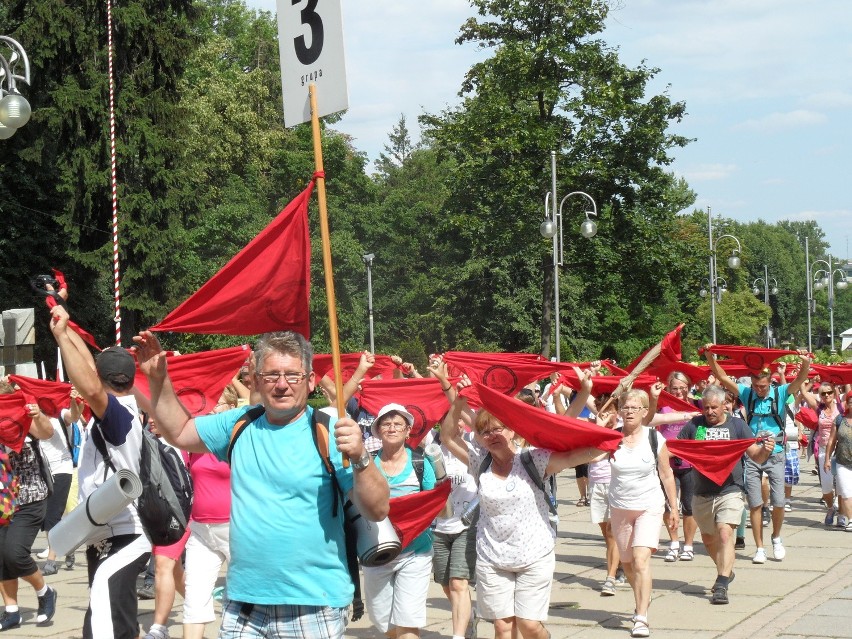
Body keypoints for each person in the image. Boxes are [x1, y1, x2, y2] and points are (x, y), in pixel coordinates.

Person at [132, 329, 389, 639]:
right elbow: (180, 432)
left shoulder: (331, 432)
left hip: (312, 603)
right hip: (245, 604)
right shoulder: (240, 423)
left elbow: (377, 509)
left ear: (310, 381)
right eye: (271, 376)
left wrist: (361, 456)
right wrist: (159, 379)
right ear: (255, 380)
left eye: (292, 376)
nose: (281, 384)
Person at [440, 378, 603, 639]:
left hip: (534, 553)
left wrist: (603, 445)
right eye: (485, 432)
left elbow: (572, 456)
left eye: (498, 429)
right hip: (492, 556)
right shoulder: (478, 462)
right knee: (502, 627)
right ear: (479, 438)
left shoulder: (533, 459)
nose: (492, 435)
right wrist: (458, 402)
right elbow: (448, 437)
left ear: (512, 430)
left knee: (528, 626)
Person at [49, 305, 150, 639]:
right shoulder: (126, 410)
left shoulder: (118, 414)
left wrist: (63, 335)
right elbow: (93, 377)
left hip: (125, 535)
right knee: (112, 619)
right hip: (108, 534)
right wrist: (62, 319)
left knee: (106, 627)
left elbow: (92, 388)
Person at [705, 345, 811, 564]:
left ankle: (776, 537)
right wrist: (709, 356)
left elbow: (800, 381)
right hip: (753, 454)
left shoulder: (780, 392)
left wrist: (805, 362)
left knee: (779, 501)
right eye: (756, 386)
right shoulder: (747, 393)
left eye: (762, 387)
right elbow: (722, 378)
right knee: (754, 503)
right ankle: (760, 548)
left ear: (770, 382)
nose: (759, 390)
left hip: (776, 453)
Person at [677, 385, 772, 604]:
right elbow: (677, 447)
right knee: (709, 540)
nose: (709, 412)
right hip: (701, 492)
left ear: (724, 406)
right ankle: (726, 571)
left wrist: (765, 449)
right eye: (706, 407)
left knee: (725, 534)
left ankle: (721, 584)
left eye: (714, 407)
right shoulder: (694, 426)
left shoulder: (737, 426)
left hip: (730, 490)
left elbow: (756, 456)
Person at [606, 389, 679, 638]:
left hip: (649, 505)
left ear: (644, 412)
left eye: (634, 408)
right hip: (620, 507)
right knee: (627, 564)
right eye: (625, 407)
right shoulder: (610, 438)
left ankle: (641, 617)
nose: (629, 412)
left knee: (640, 560)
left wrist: (674, 508)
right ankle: (642, 596)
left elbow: (667, 475)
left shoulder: (654, 439)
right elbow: (587, 454)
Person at [362, 404, 437, 638]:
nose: (392, 427)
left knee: (407, 623)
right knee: (385, 623)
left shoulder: (421, 463)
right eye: (386, 423)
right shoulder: (366, 464)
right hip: (376, 553)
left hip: (416, 552)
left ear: (407, 431)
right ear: (377, 430)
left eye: (398, 424)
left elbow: (435, 504)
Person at [0, 386, 58, 631]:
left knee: (15, 553)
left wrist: (37, 415)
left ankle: (45, 591)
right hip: (2, 501)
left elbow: (47, 433)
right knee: (1, 557)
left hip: (29, 497)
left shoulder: (23, 415)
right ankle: (12, 611)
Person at [37, 387, 82, 576]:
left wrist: (74, 401)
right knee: (45, 516)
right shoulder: (33, 418)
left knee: (52, 516)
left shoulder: (60, 415)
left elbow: (74, 416)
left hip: (62, 470)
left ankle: (52, 561)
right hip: (43, 473)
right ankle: (68, 546)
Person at [803, 382, 842, 525]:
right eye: (823, 393)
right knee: (826, 487)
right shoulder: (819, 408)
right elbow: (804, 393)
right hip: (823, 450)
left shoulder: (841, 407)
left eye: (829, 392)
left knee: (841, 484)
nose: (826, 395)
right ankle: (831, 508)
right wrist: (810, 380)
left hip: (840, 450)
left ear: (834, 393)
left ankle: (842, 514)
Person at [823, 392, 852, 531]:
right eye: (850, 401)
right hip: (842, 461)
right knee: (845, 491)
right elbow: (831, 441)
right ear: (847, 403)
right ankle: (851, 520)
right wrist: (827, 459)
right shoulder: (839, 419)